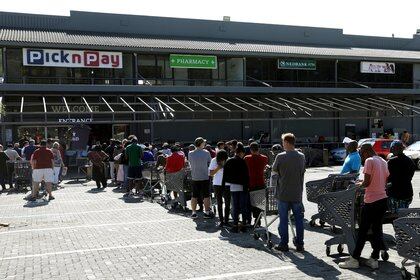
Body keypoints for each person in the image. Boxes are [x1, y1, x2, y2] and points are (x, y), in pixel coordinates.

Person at [339, 144, 389, 270]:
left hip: (371, 201)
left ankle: (354, 259)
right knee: (377, 230)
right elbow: (385, 179)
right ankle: (374, 259)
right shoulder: (383, 161)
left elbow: (366, 182)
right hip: (382, 199)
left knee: (363, 231)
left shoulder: (369, 160)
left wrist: (358, 185)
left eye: (361, 153)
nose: (361, 157)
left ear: (366, 152)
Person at [272, 133, 306, 252]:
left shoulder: (280, 157)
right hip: (297, 193)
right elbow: (303, 171)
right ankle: (300, 244)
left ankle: (283, 244)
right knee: (299, 220)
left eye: (283, 142)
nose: (282, 144)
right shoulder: (301, 156)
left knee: (283, 220)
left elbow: (274, 171)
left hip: (283, 193)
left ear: (286, 142)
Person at [222, 143, 250, 233]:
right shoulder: (243, 162)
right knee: (243, 207)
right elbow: (246, 176)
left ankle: (235, 225)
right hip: (243, 187)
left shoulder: (229, 161)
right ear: (241, 153)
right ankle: (244, 225)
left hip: (233, 186)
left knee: (235, 207)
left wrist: (224, 186)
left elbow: (225, 175)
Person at [188, 137, 214, 219]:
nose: (205, 144)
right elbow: (209, 163)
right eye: (204, 143)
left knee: (194, 195)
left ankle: (194, 212)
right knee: (206, 195)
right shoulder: (206, 153)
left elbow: (190, 163)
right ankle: (206, 212)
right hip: (204, 176)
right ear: (201, 144)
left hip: (195, 176)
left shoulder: (190, 153)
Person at [244, 142, 269, 226]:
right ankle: (258, 220)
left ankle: (248, 220)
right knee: (259, 204)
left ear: (250, 149)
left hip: (250, 183)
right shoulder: (264, 158)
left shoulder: (247, 158)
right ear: (259, 149)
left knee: (249, 203)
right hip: (260, 183)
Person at [387, 141, 415, 211]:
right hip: (407, 192)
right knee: (403, 215)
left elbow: (387, 177)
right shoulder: (410, 161)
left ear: (393, 149)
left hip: (395, 193)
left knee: (395, 216)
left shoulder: (391, 161)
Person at [209, 149, 230, 227]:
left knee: (227, 203)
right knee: (219, 202)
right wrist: (218, 167)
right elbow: (211, 174)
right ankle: (221, 221)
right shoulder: (214, 160)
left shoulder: (229, 160)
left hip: (227, 184)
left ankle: (226, 220)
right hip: (217, 184)